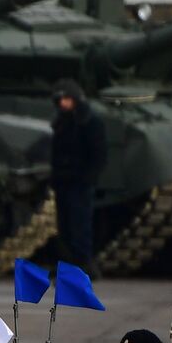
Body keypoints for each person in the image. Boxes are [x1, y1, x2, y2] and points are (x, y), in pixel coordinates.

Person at [50, 78, 107, 275]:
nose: (63, 103)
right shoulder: (61, 121)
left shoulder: (89, 121)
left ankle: (84, 263)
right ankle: (67, 264)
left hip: (80, 181)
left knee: (80, 224)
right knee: (64, 225)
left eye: (67, 99)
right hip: (63, 180)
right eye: (60, 100)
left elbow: (98, 153)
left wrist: (89, 177)